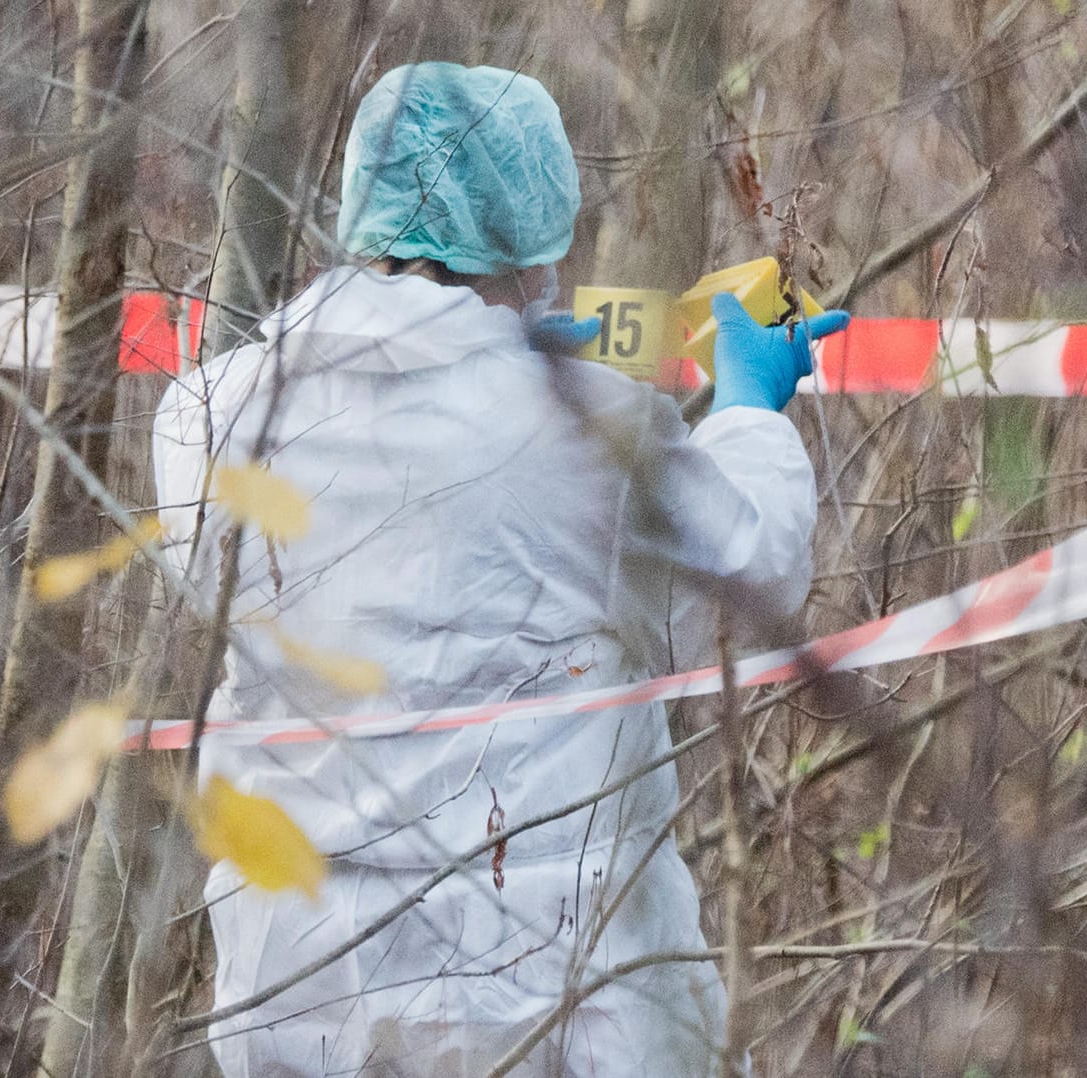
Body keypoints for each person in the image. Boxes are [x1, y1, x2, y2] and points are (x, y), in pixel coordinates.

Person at [154, 61, 849, 1077]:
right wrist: (748, 409)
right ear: (526, 240)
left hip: (301, 999)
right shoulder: (580, 431)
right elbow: (744, 583)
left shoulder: (209, 415)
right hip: (555, 1001)